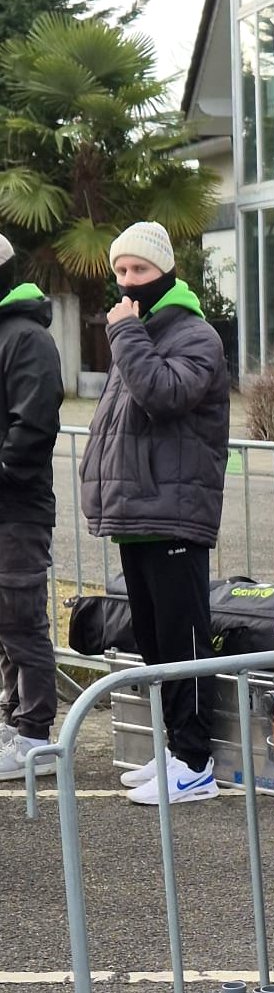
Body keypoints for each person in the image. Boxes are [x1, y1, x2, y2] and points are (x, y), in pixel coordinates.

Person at [79, 220, 229, 805]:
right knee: (154, 642)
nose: (127, 280)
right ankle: (174, 749)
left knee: (183, 642)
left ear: (165, 271)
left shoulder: (194, 334)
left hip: (175, 511)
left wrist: (124, 335)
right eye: (120, 270)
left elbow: (164, 395)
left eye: (139, 269)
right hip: (137, 514)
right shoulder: (136, 334)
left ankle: (195, 762)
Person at [0, 232, 63, 782]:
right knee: (6, 625)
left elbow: (34, 426)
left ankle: (35, 736)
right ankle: (13, 723)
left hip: (17, 509)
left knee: (22, 620)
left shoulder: (26, 337)